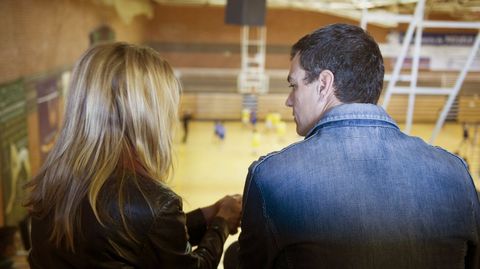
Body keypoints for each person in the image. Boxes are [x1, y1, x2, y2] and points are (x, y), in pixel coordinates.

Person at [238, 23, 480, 269]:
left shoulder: (270, 178)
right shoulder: (457, 175)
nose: (288, 100)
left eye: (294, 85)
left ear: (323, 84)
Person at [24, 42, 242, 269]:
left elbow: (135, 238)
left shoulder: (53, 184)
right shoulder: (153, 204)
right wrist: (221, 223)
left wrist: (206, 216)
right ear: (147, 114)